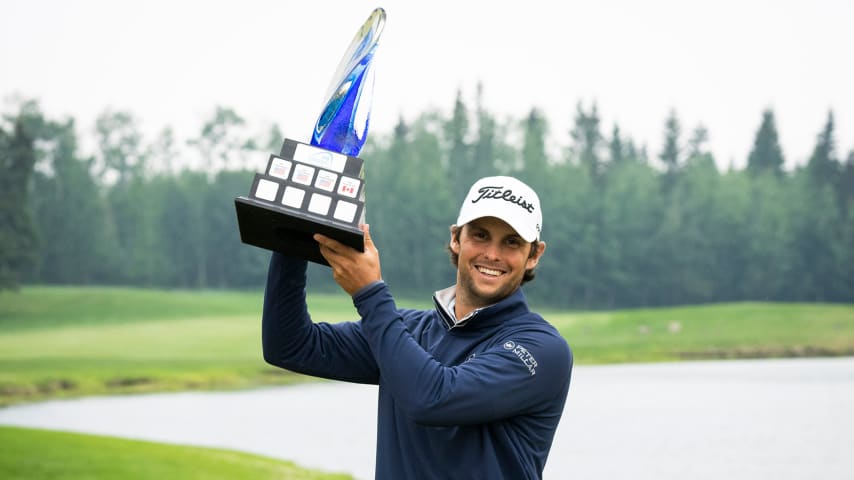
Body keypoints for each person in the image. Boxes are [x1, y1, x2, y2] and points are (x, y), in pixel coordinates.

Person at [262, 176, 572, 479]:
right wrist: (294, 238)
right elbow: (290, 345)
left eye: (512, 242)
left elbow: (434, 399)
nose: (492, 254)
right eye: (480, 235)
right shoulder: (407, 330)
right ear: (455, 238)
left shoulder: (541, 348)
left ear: (533, 255)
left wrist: (370, 293)